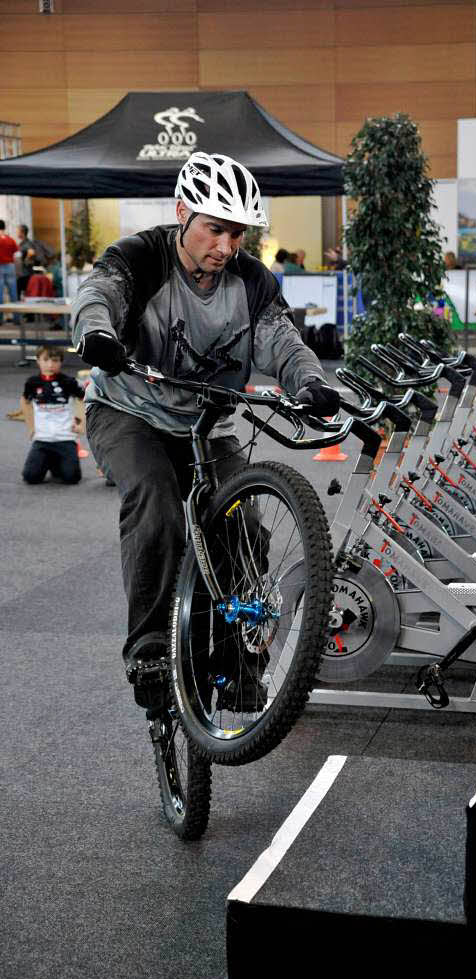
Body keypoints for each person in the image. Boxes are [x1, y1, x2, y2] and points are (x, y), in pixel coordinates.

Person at [71, 150, 340, 714]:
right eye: (214, 229)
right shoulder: (141, 258)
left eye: (236, 234)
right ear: (182, 212)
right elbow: (99, 296)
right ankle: (147, 648)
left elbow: (281, 341)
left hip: (205, 420)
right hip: (129, 411)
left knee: (245, 527)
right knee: (157, 504)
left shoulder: (249, 280)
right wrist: (96, 334)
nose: (225, 247)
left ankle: (234, 661)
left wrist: (310, 381)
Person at [20, 344, 85, 485]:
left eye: (55, 361)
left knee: (71, 478)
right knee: (30, 477)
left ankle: (57, 462)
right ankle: (47, 460)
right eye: (45, 360)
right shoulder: (32, 383)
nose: (50, 364)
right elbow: (24, 402)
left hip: (65, 438)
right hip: (42, 439)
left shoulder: (68, 382)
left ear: (61, 362)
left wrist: (80, 423)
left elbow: (83, 400)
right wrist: (31, 427)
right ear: (38, 360)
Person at [0, 220, 19, 317]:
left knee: (0, 294)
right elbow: (16, 253)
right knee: (13, 293)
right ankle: (17, 318)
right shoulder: (10, 240)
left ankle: (0, 319)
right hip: (10, 266)